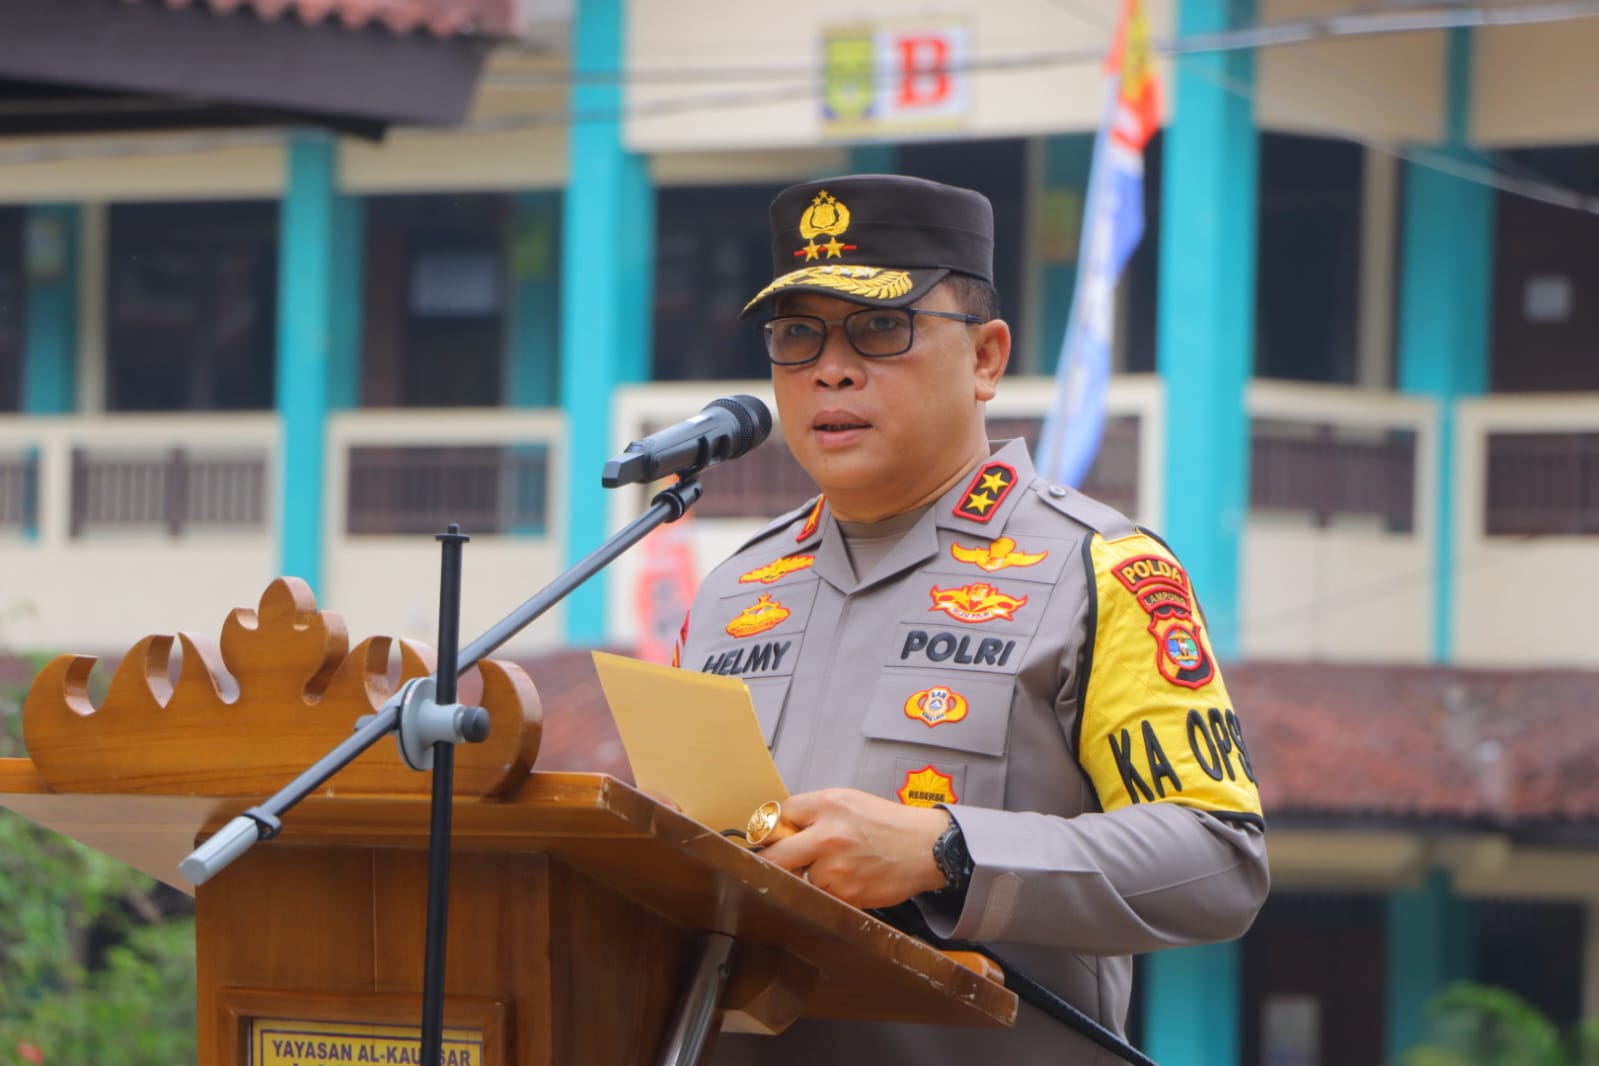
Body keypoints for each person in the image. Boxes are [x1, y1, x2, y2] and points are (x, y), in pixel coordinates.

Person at [674, 173, 1268, 1064]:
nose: (830, 368)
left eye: (881, 327)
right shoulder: (729, 592)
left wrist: (952, 852)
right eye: (797, 334)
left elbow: (1219, 861)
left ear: (986, 358)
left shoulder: (1099, 570)